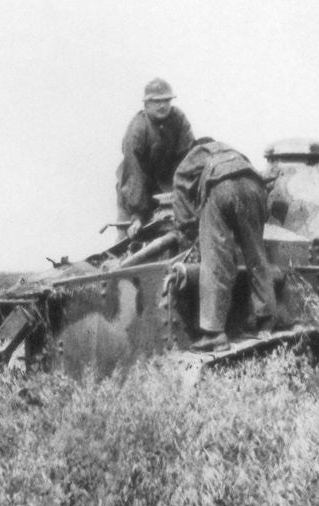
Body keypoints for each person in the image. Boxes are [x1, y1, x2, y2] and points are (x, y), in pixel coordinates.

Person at [173, 138, 276, 351]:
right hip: (254, 188)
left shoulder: (196, 153)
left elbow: (179, 181)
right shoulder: (234, 151)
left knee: (215, 261)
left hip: (221, 186)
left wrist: (187, 226)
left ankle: (214, 333)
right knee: (257, 256)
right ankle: (266, 321)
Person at [115, 77, 195, 238]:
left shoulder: (179, 119)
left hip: (167, 189)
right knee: (128, 243)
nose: (162, 105)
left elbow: (189, 158)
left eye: (166, 100)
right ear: (146, 105)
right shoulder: (137, 128)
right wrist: (136, 215)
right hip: (134, 190)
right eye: (157, 101)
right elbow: (133, 174)